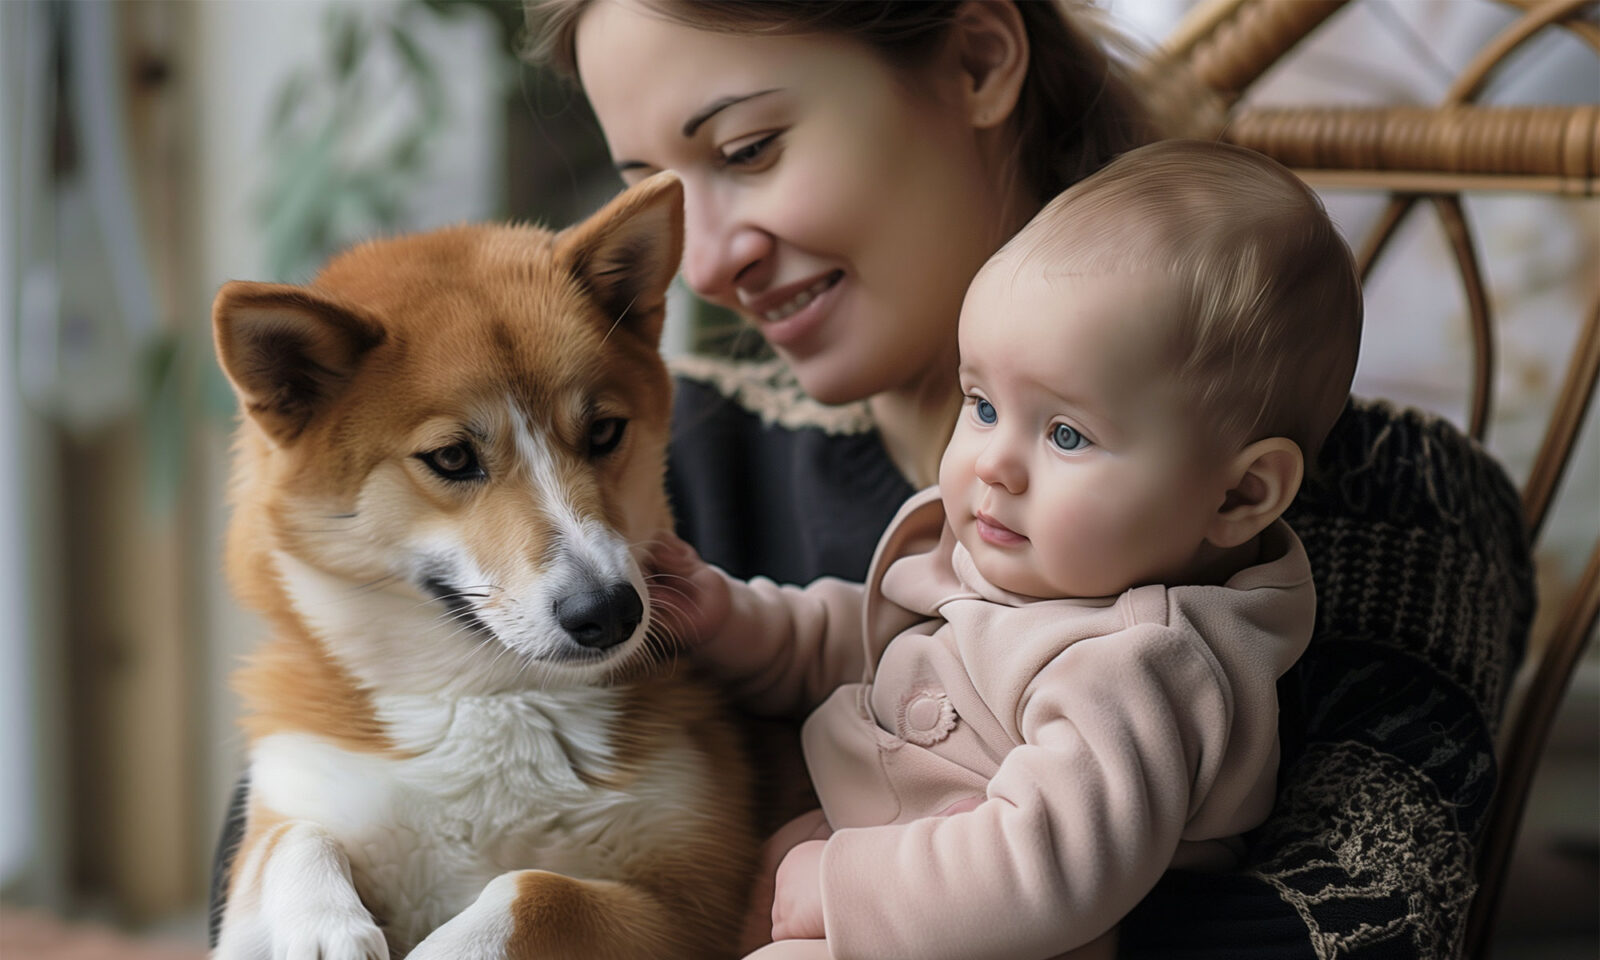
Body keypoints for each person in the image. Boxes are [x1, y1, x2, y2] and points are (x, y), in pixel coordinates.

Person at [210, 3, 1532, 955]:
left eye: (746, 151)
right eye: (647, 184)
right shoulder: (669, 446)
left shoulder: (1385, 507)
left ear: (974, 58)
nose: (703, 258)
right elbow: (310, 841)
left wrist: (814, 898)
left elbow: (1356, 917)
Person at [647, 139, 1361, 959]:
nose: (992, 461)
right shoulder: (1029, 570)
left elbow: (1044, 870)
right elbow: (867, 645)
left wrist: (838, 886)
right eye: (982, 404)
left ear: (1239, 496)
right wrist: (734, 618)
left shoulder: (1140, 667)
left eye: (1066, 432)